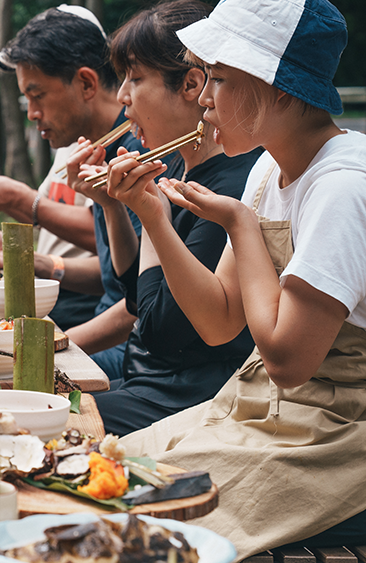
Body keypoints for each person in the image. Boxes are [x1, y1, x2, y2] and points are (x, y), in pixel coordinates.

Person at [112, 0, 366, 555]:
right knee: (103, 472)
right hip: (258, 405)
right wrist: (154, 214)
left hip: (333, 429)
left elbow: (289, 362)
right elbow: (219, 321)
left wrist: (240, 225)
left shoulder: (343, 185)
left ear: (280, 88)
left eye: (220, 79)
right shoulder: (271, 168)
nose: (203, 98)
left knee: (144, 522)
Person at [0, 6, 170, 378]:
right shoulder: (87, 145)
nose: (31, 113)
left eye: (37, 96)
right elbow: (114, 273)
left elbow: (135, 300)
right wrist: (37, 263)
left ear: (86, 84)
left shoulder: (132, 149)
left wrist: (47, 346)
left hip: (127, 345)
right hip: (100, 324)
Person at [75, 0, 260, 435]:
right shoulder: (178, 166)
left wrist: (151, 213)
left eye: (135, 78)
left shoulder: (228, 189)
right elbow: (138, 297)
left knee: (26, 423)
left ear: (193, 84)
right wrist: (113, 205)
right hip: (147, 381)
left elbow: (160, 329)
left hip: (187, 397)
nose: (122, 97)